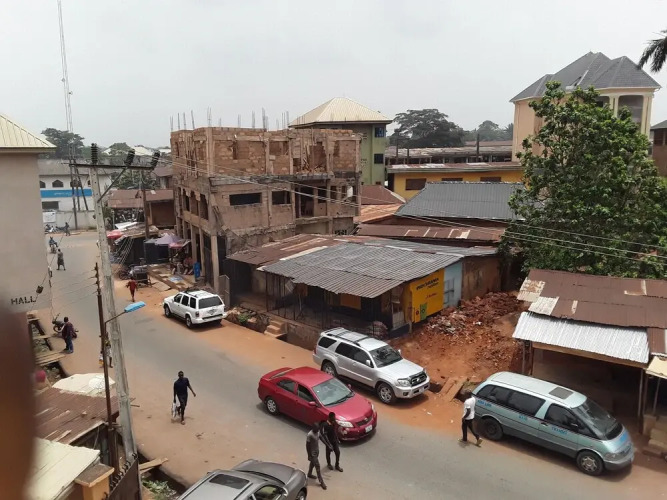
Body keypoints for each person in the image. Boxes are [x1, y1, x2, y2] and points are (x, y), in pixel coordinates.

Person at [306, 422, 327, 490]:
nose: (318, 430)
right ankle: (321, 482)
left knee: (312, 463)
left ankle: (309, 474)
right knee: (317, 466)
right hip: (313, 453)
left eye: (318, 429)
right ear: (313, 428)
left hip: (317, 451)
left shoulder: (317, 432)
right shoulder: (310, 435)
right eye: (317, 429)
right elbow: (307, 446)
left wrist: (327, 445)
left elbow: (321, 438)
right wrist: (309, 455)